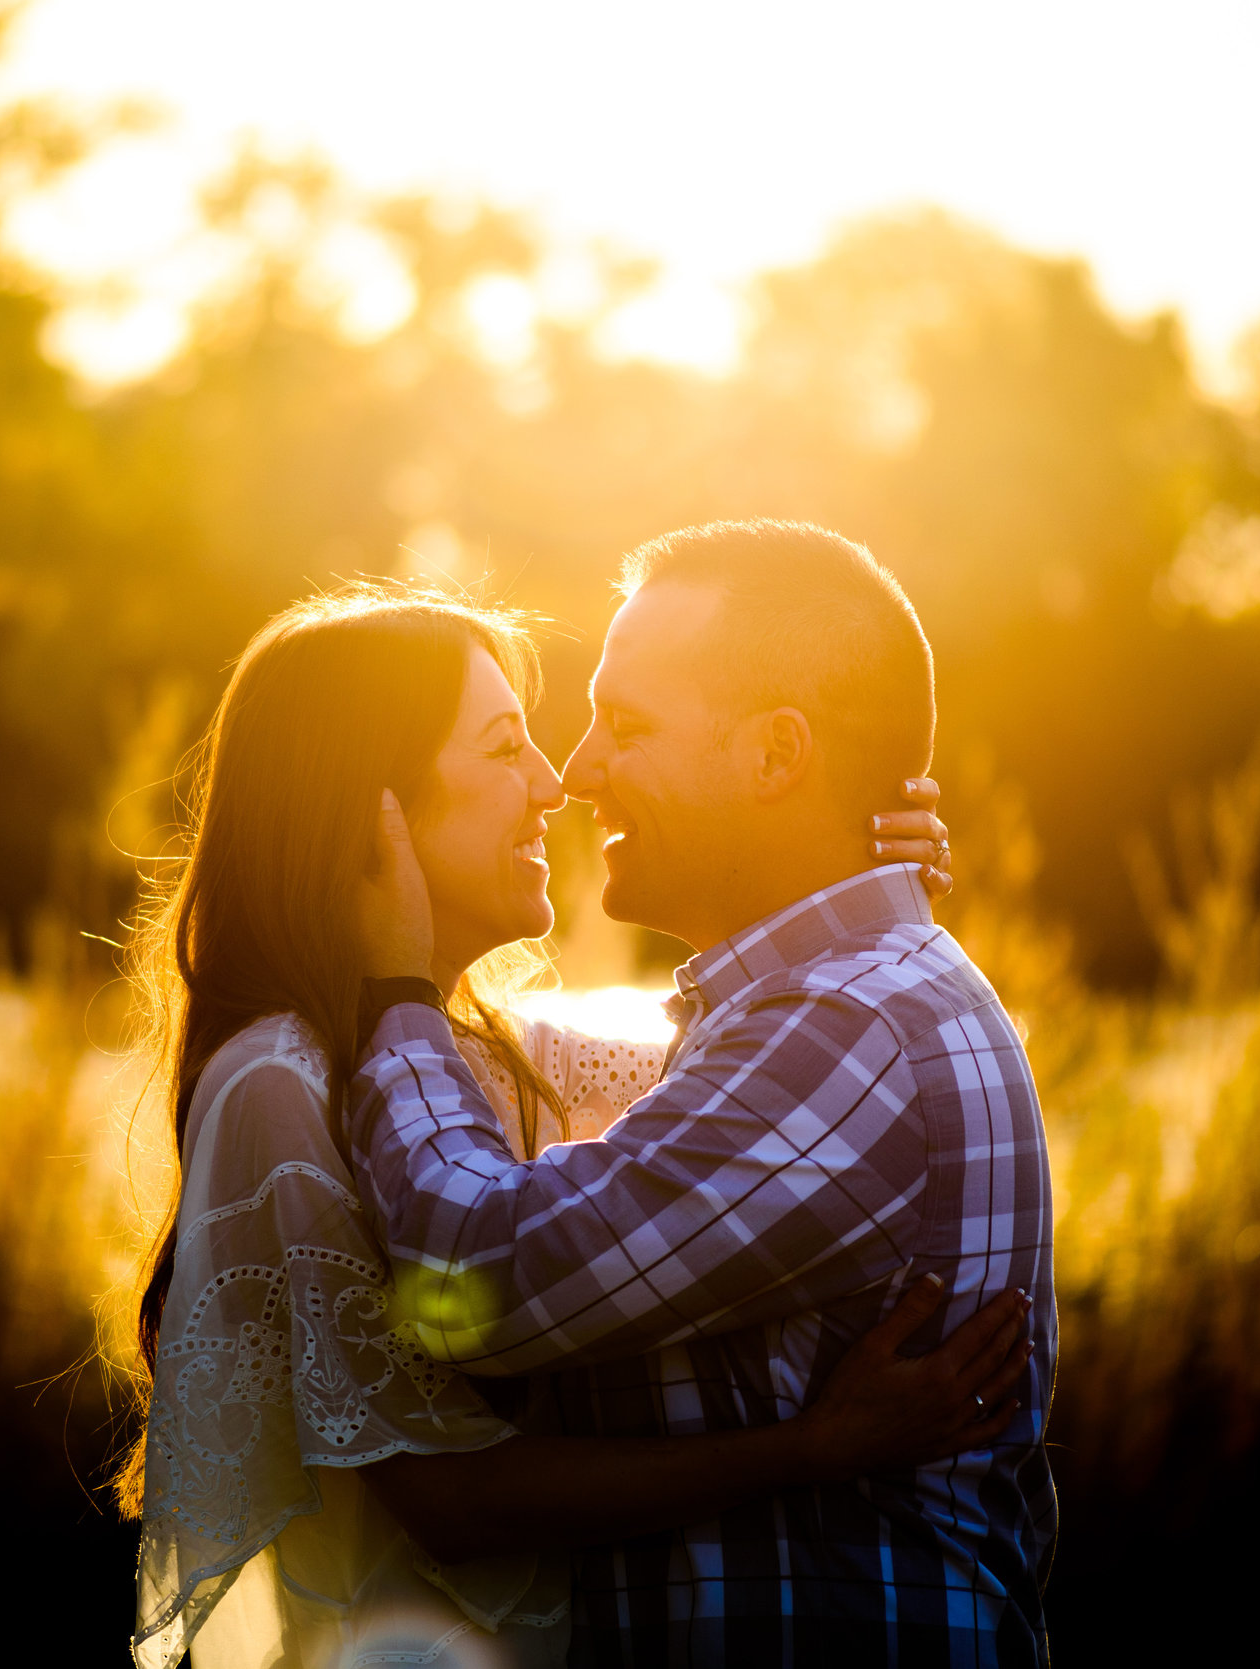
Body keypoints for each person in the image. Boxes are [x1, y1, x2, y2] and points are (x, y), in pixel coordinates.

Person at [123, 581, 1022, 1669]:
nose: (560, 782)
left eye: (614, 731)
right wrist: (805, 1449)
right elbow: (447, 1502)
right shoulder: (283, 1080)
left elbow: (759, 1073)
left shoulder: (481, 1054)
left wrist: (848, 864)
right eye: (508, 749)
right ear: (370, 807)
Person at [350, 522, 1057, 1666]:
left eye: (624, 727)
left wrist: (393, 989)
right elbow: (566, 1100)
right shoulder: (807, 1008)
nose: (574, 773)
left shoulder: (844, 1030)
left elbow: (471, 1272)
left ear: (778, 754)